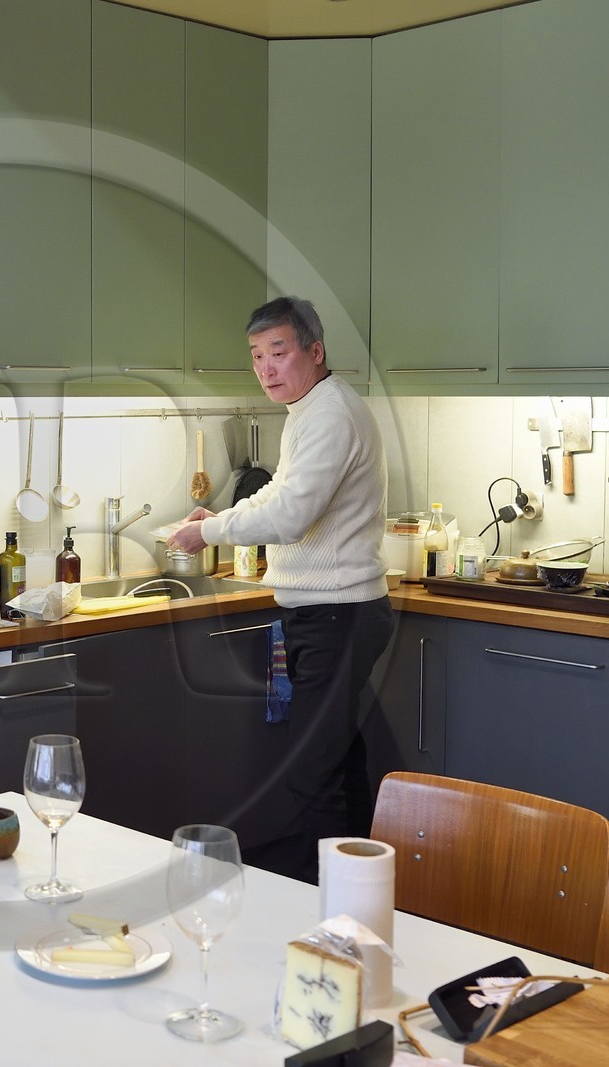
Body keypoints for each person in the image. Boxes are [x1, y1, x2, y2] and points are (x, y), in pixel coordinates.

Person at [166, 296, 393, 883]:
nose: (266, 368)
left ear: (314, 351)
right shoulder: (309, 409)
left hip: (338, 613)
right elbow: (278, 494)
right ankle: (359, 896)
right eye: (256, 356)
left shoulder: (330, 414)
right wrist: (216, 519)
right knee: (337, 764)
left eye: (278, 352)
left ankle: (326, 905)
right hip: (328, 612)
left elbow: (291, 516)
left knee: (311, 774)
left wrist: (207, 533)